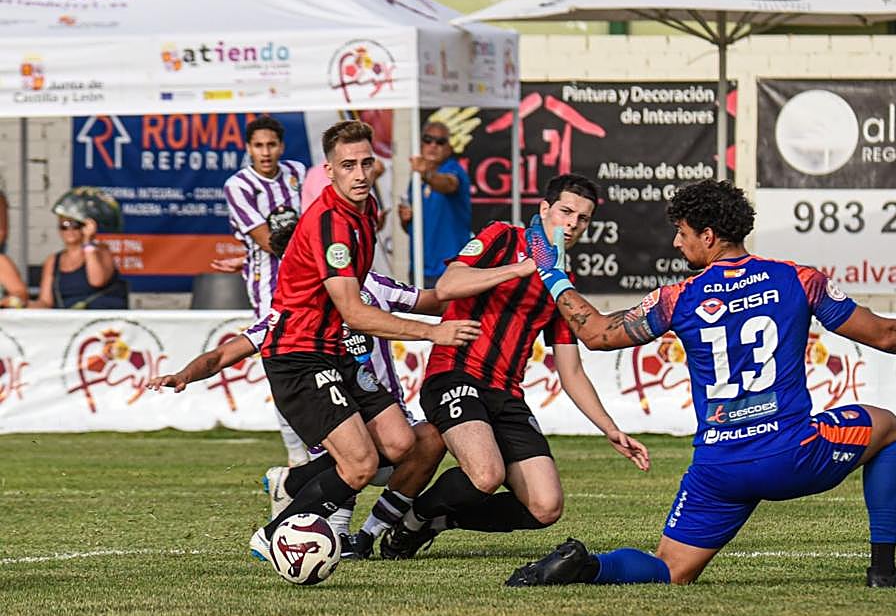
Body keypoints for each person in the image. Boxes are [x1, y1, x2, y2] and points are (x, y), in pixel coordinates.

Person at [507, 179, 896, 589]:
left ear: (708, 235)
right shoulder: (797, 278)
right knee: (887, 426)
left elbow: (595, 334)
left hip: (720, 468)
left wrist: (552, 274)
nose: (676, 243)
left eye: (681, 233)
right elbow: (885, 334)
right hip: (793, 456)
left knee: (670, 571)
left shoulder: (678, 297)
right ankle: (883, 569)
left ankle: (587, 566)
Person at [378, 173, 649, 560]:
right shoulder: (503, 237)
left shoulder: (560, 283)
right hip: (454, 374)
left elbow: (570, 371)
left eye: (583, 219)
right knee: (487, 475)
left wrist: (611, 429)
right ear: (544, 210)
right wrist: (522, 268)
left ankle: (432, 520)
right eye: (565, 212)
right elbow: (447, 287)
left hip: (505, 394)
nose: (572, 224)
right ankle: (408, 521)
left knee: (545, 506)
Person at [250, 119, 480, 562]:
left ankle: (293, 483)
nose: (359, 173)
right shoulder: (330, 224)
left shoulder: (367, 209)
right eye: (348, 165)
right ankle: (274, 534)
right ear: (329, 170)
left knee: (399, 443)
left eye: (366, 163)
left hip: (332, 351)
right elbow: (354, 312)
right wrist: (435, 333)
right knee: (359, 464)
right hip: (299, 355)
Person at [148, 217, 447, 558]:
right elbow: (223, 354)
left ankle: (363, 533)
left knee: (425, 441)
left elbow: (432, 301)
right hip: (335, 422)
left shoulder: (371, 287)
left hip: (383, 414)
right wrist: (185, 374)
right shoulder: (291, 317)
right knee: (354, 461)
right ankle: (297, 526)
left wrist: (490, 293)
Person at [223, 115, 306, 319]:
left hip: (307, 271)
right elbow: (267, 241)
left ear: (282, 147)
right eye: (259, 146)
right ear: (249, 148)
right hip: (269, 276)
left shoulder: (297, 171)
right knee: (272, 336)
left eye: (271, 145)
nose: (266, 153)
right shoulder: (238, 186)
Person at [398, 120, 471, 288]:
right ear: (421, 143)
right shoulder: (416, 179)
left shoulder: (453, 170)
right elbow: (412, 229)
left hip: (450, 269)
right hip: (418, 268)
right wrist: (405, 218)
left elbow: (448, 185)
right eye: (428, 139)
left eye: (440, 141)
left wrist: (427, 174)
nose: (433, 145)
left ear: (449, 147)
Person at [29, 196, 126, 309]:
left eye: (75, 225)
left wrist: (88, 241)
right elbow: (45, 301)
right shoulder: (53, 260)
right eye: (64, 226)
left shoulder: (101, 250)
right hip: (68, 320)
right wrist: (24, 306)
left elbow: (97, 281)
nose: (69, 230)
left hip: (101, 317)